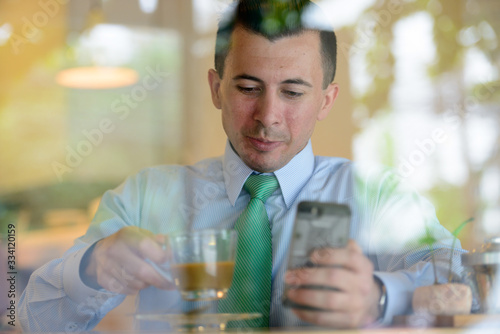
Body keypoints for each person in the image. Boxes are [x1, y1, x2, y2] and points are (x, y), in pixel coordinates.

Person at [19, 0, 466, 331]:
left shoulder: (376, 196)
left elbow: (463, 284)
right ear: (216, 89)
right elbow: (27, 316)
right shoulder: (145, 198)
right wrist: (92, 268)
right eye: (248, 87)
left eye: (293, 93)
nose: (268, 116)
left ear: (326, 100)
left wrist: (380, 296)